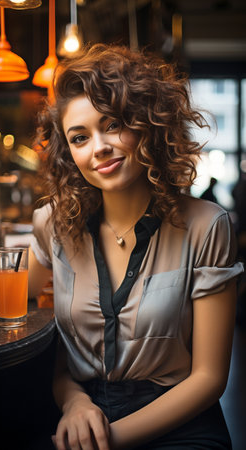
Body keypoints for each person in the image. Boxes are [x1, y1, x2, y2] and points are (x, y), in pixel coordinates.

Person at [28, 43, 243, 450]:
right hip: (83, 417)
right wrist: (73, 403)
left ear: (148, 123)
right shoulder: (52, 224)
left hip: (179, 420)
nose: (98, 148)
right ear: (68, 153)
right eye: (79, 138)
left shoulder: (205, 225)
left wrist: (109, 441)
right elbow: (50, 342)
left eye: (112, 125)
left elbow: (210, 379)